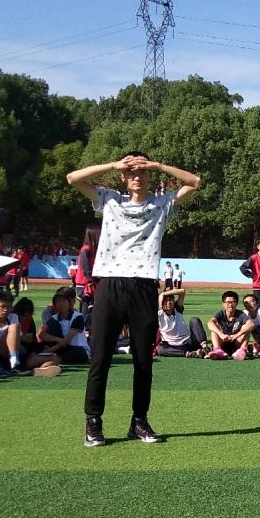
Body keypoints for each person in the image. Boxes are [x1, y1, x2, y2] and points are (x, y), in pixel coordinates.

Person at [67, 151, 201, 446]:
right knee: (100, 358)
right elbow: (73, 178)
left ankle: (139, 421)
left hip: (143, 288)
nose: (137, 175)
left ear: (150, 176)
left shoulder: (162, 204)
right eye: (131, 171)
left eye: (143, 171)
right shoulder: (109, 200)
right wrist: (115, 164)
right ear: (124, 178)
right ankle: (93, 423)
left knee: (144, 361)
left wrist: (157, 164)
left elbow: (194, 182)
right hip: (110, 287)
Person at [39, 288, 93, 365]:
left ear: (70, 303)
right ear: (54, 305)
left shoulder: (77, 317)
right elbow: (42, 335)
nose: (61, 305)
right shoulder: (54, 318)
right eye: (58, 302)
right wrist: (58, 339)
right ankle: (49, 359)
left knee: (78, 352)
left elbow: (66, 341)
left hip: (76, 347)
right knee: (37, 347)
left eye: (64, 301)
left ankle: (55, 359)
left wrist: (49, 350)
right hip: (61, 347)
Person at [154, 286, 207, 358]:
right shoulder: (158, 315)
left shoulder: (177, 309)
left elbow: (182, 292)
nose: (169, 303)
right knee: (160, 350)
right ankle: (191, 354)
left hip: (188, 342)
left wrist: (163, 294)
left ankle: (206, 349)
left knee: (194, 320)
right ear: (161, 302)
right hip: (173, 346)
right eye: (166, 300)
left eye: (171, 300)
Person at [207, 291, 256, 360]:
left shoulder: (240, 314)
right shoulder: (220, 314)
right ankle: (218, 350)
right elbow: (210, 323)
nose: (230, 305)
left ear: (237, 304)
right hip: (223, 342)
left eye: (233, 302)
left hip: (236, 343)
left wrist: (236, 335)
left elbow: (251, 324)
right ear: (223, 304)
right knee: (215, 328)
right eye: (228, 302)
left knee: (246, 327)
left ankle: (241, 351)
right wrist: (221, 335)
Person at [75, 227, 99, 321]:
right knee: (86, 308)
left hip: (88, 283)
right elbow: (85, 266)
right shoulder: (86, 249)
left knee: (90, 308)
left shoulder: (91, 250)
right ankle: (84, 328)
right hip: (85, 284)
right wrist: (90, 281)